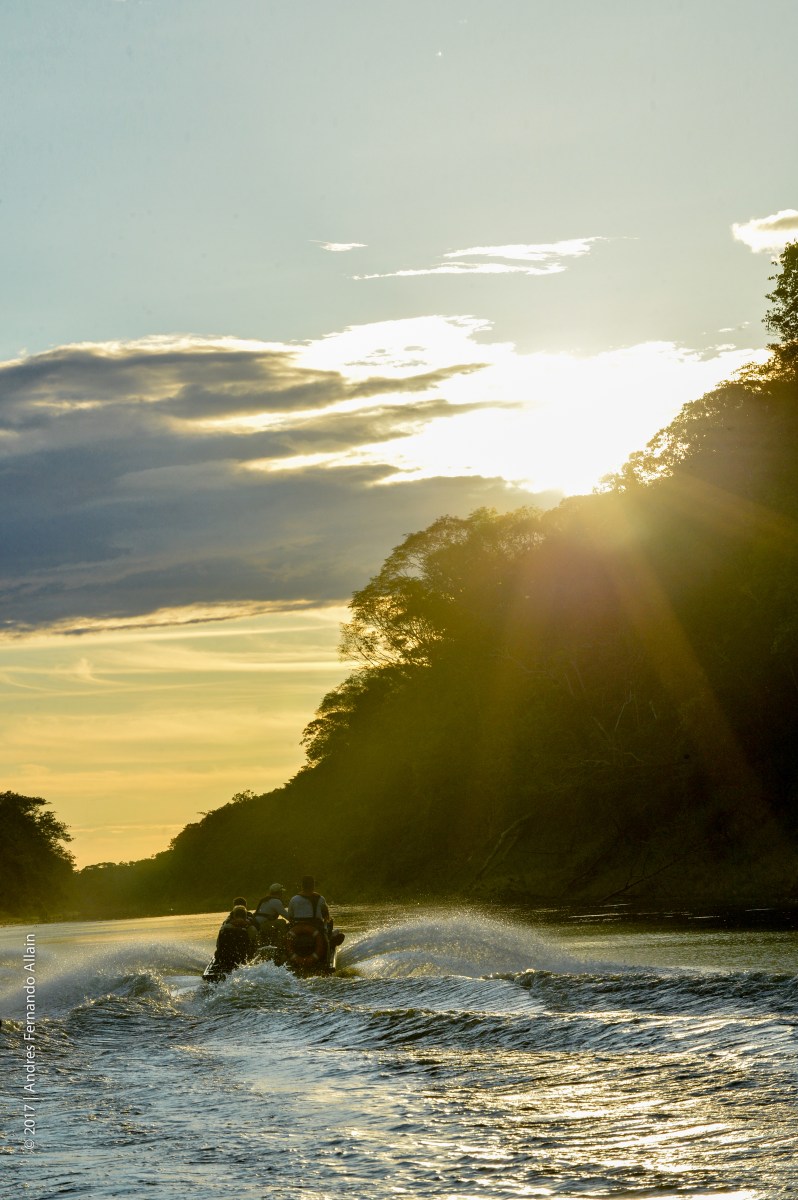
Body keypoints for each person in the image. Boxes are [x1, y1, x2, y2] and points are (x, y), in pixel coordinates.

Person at [214, 904, 256, 973]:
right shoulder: (251, 929)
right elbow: (253, 946)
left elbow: (218, 945)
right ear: (245, 916)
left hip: (225, 959)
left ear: (234, 916)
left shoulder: (225, 928)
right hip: (242, 959)